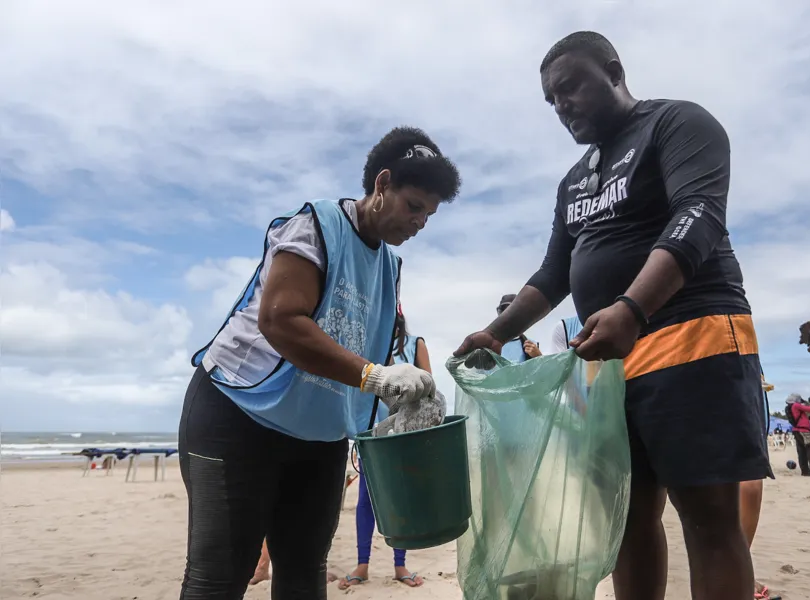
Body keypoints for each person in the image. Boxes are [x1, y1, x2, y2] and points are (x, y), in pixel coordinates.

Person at [455, 31, 772, 600]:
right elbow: (553, 274)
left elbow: (699, 215)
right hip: (609, 363)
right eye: (550, 100)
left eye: (570, 88)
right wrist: (495, 333)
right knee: (626, 519)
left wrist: (632, 307)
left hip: (692, 338)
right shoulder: (574, 180)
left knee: (708, 520)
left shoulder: (676, 124)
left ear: (614, 70)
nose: (561, 106)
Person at [178, 126, 461, 600]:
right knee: (220, 576)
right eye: (414, 206)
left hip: (317, 435)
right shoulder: (317, 226)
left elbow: (378, 350)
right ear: (382, 184)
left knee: (305, 570)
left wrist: (408, 392)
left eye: (430, 215)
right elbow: (280, 320)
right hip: (238, 415)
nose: (420, 223)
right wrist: (375, 376)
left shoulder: (390, 271)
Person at [339, 308, 428, 590]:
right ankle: (362, 564)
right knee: (366, 498)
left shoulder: (416, 345)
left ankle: (400, 564)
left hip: (404, 436)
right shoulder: (369, 345)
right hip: (372, 435)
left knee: (400, 498)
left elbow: (427, 387)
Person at [497, 294, 542, 362]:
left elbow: (543, 371)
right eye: (504, 312)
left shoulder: (532, 346)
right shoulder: (488, 346)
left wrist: (539, 357)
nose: (508, 316)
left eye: (513, 312)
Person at [789, 394, 810, 477]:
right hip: (803, 431)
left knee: (802, 451)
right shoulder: (796, 405)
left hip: (797, 430)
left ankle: (805, 471)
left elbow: (803, 418)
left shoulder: (792, 407)